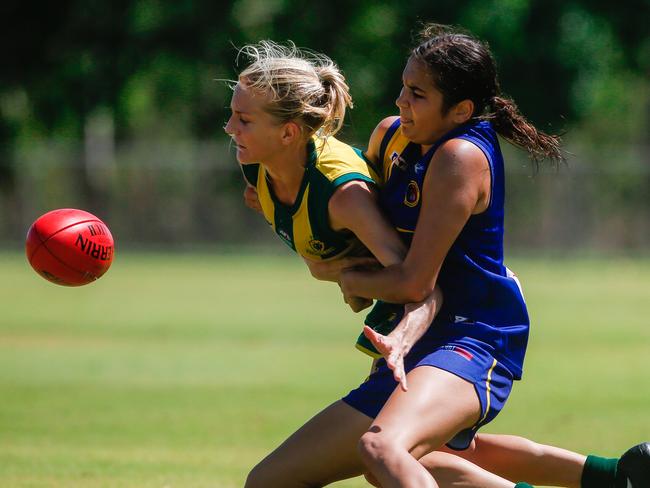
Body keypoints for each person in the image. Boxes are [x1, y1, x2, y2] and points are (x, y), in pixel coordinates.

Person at [226, 39, 649, 488]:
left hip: (474, 333)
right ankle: (619, 478)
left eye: (418, 94)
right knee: (276, 479)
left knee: (383, 449)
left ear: (461, 110)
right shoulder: (390, 136)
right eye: (404, 87)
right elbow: (360, 221)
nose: (401, 101)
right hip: (419, 330)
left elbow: (413, 282)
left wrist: (341, 274)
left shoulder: (459, 157)